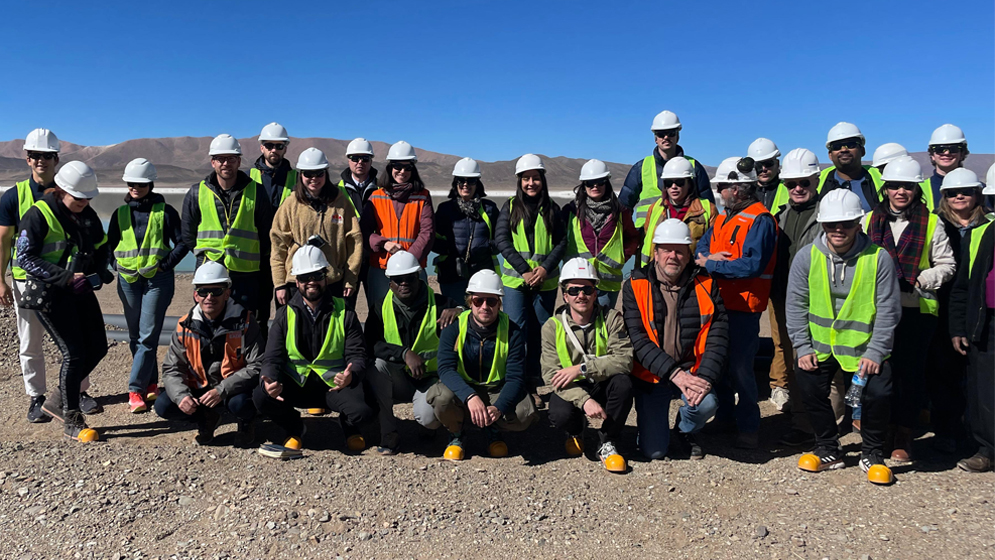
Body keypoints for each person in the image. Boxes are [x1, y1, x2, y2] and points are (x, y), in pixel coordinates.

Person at [787, 189, 901, 485]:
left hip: (865, 347)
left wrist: (877, 351)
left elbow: (888, 309)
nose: (839, 230)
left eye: (846, 223)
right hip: (821, 346)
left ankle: (873, 452)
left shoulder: (879, 259)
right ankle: (828, 447)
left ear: (858, 224)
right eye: (831, 224)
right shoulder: (806, 257)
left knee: (879, 392)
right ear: (822, 224)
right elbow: (796, 304)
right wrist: (802, 346)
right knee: (809, 387)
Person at [863, 157, 955, 465]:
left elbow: (947, 264)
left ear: (917, 190)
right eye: (894, 186)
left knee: (910, 375)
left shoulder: (931, 222)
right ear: (885, 189)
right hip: (877, 310)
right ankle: (880, 430)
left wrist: (923, 278)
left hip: (916, 309)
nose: (901, 192)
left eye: (908, 186)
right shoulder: (869, 220)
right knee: (880, 373)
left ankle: (903, 432)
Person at [0, 129, 96, 422]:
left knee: (76, 340)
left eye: (47, 156)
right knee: (30, 341)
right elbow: (4, 240)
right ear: (27, 158)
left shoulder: (72, 190)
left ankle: (76, 391)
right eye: (35, 156)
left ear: (57, 158)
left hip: (67, 282)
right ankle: (36, 397)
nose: (41, 161)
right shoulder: (13, 197)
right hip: (28, 282)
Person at [16, 161, 113, 441]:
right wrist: (66, 277)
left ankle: (58, 399)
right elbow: (24, 258)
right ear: (61, 190)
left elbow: (100, 244)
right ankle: (72, 418)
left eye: (88, 198)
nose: (84, 202)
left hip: (79, 289)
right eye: (78, 198)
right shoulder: (39, 214)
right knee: (74, 353)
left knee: (97, 346)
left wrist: (100, 269)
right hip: (51, 293)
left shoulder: (88, 214)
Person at [253, 246, 374, 453]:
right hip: (296, 385)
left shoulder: (345, 312)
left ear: (325, 277)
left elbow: (357, 354)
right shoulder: (284, 315)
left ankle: (349, 427)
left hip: (333, 386)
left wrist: (351, 376)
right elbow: (272, 357)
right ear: (297, 281)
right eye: (305, 276)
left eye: (317, 275)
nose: (311, 281)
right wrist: (269, 379)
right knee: (261, 396)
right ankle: (294, 427)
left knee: (363, 410)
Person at [625, 219, 727, 460]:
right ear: (655, 252)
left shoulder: (707, 284)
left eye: (680, 250)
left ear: (688, 254)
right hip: (651, 373)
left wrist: (704, 378)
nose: (673, 256)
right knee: (655, 451)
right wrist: (673, 374)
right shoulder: (636, 284)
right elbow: (637, 340)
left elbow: (718, 337)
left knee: (707, 403)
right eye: (666, 249)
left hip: (691, 369)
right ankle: (653, 431)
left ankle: (685, 429)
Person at [694, 157, 777, 449]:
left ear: (739, 189)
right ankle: (725, 418)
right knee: (719, 364)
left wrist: (712, 265)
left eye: (724, 186)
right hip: (718, 304)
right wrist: (707, 259)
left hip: (744, 307)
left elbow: (751, 265)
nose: (719, 191)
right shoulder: (722, 217)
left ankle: (749, 428)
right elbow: (703, 249)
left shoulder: (760, 220)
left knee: (742, 369)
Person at [770, 149, 846, 447]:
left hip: (822, 301)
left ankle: (833, 425)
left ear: (816, 178)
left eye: (804, 181)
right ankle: (803, 424)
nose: (798, 188)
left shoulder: (830, 215)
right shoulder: (782, 216)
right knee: (797, 360)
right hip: (785, 298)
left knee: (831, 363)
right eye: (791, 184)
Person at [106, 158, 189, 413]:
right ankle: (151, 382)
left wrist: (166, 265)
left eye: (140, 183)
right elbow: (109, 245)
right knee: (136, 336)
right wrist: (114, 265)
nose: (135, 187)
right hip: (128, 281)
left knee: (146, 335)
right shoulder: (119, 214)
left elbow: (183, 242)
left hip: (157, 281)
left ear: (150, 184)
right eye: (131, 183)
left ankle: (135, 390)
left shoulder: (165, 212)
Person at [428, 269, 538, 460]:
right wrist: (469, 396)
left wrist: (499, 407)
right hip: (465, 389)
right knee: (439, 396)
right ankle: (456, 434)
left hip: (496, 389)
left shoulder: (513, 332)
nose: (485, 306)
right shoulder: (454, 328)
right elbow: (445, 369)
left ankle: (492, 430)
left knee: (525, 413)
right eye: (479, 301)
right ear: (470, 302)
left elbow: (515, 377)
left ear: (499, 303)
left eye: (492, 301)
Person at [363, 251, 463, 454]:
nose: (404, 283)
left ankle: (430, 428)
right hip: (398, 379)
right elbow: (371, 344)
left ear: (419, 277)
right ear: (390, 282)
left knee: (427, 419)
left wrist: (460, 309)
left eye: (409, 278)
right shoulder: (379, 308)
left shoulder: (441, 305)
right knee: (376, 367)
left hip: (429, 380)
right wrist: (404, 353)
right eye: (398, 280)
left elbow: (475, 315)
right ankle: (388, 435)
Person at [541, 258, 633, 471]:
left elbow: (625, 360)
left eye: (587, 289)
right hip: (573, 388)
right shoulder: (552, 327)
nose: (581, 295)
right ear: (565, 295)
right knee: (558, 413)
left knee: (624, 384)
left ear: (595, 292)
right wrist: (584, 401)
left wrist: (582, 368)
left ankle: (607, 440)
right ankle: (575, 430)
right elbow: (550, 375)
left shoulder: (611, 319)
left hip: (602, 382)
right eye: (574, 290)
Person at [156, 262, 261, 446]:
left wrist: (222, 390)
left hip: (233, 389)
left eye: (217, 291)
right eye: (203, 291)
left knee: (242, 403)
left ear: (227, 293)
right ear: (196, 295)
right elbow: (172, 368)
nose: (209, 297)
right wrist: (182, 396)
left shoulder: (245, 322)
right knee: (164, 405)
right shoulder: (184, 325)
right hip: (201, 389)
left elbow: (257, 365)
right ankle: (206, 418)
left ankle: (246, 422)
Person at [181, 134, 274, 337]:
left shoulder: (256, 192)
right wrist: (206, 257)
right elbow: (188, 235)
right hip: (209, 273)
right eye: (220, 159)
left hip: (246, 274)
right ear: (213, 161)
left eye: (231, 158)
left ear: (239, 161)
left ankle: (248, 368)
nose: (226, 164)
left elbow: (266, 234)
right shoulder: (197, 192)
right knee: (209, 327)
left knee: (247, 328)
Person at [496, 154, 567, 406]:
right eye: (526, 178)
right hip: (516, 282)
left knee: (539, 333)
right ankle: (516, 383)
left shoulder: (553, 209)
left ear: (542, 180)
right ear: (519, 181)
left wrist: (546, 269)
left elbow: (561, 242)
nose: (531, 183)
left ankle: (533, 383)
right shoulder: (510, 207)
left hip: (544, 284)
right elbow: (502, 240)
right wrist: (525, 270)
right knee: (516, 332)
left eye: (535, 178)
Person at [927, 168, 989, 454]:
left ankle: (976, 436)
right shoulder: (938, 226)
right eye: (952, 192)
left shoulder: (987, 227)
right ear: (944, 197)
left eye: (966, 191)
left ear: (978, 194)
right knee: (944, 376)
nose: (959, 196)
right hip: (942, 310)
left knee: (977, 381)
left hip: (978, 311)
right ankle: (946, 433)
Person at [270, 147, 362, 306]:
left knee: (333, 328)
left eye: (319, 173)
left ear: (326, 173)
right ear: (300, 175)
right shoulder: (290, 204)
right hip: (296, 283)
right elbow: (278, 245)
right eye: (308, 174)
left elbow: (355, 242)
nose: (314, 178)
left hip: (332, 282)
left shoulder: (341, 203)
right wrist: (279, 283)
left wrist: (350, 280)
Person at [360, 140, 434, 305]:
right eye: (397, 167)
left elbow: (427, 233)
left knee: (418, 313)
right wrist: (383, 243)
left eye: (407, 167)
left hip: (414, 268)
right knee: (380, 315)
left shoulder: (422, 196)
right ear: (390, 168)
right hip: (382, 268)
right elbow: (363, 232)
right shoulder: (376, 197)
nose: (402, 171)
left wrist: (408, 260)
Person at [949, 213, 995, 472]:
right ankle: (987, 449)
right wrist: (957, 327)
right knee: (984, 390)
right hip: (986, 321)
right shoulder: (979, 234)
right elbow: (962, 286)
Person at [563, 159, 639, 309]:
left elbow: (632, 237)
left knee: (604, 325)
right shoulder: (571, 210)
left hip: (608, 282)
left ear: (607, 183)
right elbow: (558, 240)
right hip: (579, 281)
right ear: (584, 186)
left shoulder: (620, 211)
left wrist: (623, 256)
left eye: (600, 181)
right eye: (590, 183)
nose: (595, 186)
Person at [619, 110, 714, 230]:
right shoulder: (641, 168)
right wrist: (631, 238)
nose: (666, 137)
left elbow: (709, 208)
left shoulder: (694, 167)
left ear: (677, 136)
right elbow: (623, 208)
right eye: (661, 134)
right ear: (655, 138)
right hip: (647, 238)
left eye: (671, 133)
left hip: (686, 237)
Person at [433, 157, 500, 302]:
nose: (465, 185)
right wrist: (449, 251)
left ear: (477, 184)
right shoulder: (445, 209)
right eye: (461, 180)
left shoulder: (489, 209)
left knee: (480, 315)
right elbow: (433, 239)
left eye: (471, 181)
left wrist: (487, 248)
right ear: (455, 183)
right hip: (451, 274)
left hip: (483, 273)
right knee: (454, 315)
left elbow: (502, 237)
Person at [640, 157, 717, 262]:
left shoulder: (708, 209)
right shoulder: (655, 208)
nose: (674, 187)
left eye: (679, 182)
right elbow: (648, 238)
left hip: (693, 272)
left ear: (689, 183)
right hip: (661, 272)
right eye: (669, 183)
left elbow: (715, 243)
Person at [338, 138, 378, 309]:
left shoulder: (382, 190)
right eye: (355, 158)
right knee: (345, 310)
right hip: (347, 261)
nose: (360, 162)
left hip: (374, 260)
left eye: (365, 158)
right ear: (348, 159)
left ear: (371, 161)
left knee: (378, 309)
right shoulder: (336, 191)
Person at [817, 122, 884, 212]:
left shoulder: (881, 177)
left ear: (862, 151)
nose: (844, 150)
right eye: (837, 147)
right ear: (830, 155)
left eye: (851, 145)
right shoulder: (817, 182)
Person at [920, 124, 970, 211]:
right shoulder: (918, 189)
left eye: (953, 149)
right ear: (932, 154)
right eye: (940, 149)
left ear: (962, 153)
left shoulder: (977, 188)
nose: (946, 153)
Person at [250, 122, 297, 208]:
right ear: (262, 148)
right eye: (269, 145)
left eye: (279, 146)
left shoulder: (297, 179)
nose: (274, 150)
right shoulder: (247, 178)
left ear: (285, 149)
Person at [749, 138, 789, 215]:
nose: (764, 169)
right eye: (758, 165)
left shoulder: (789, 188)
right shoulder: (746, 192)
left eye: (769, 163)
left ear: (777, 164)